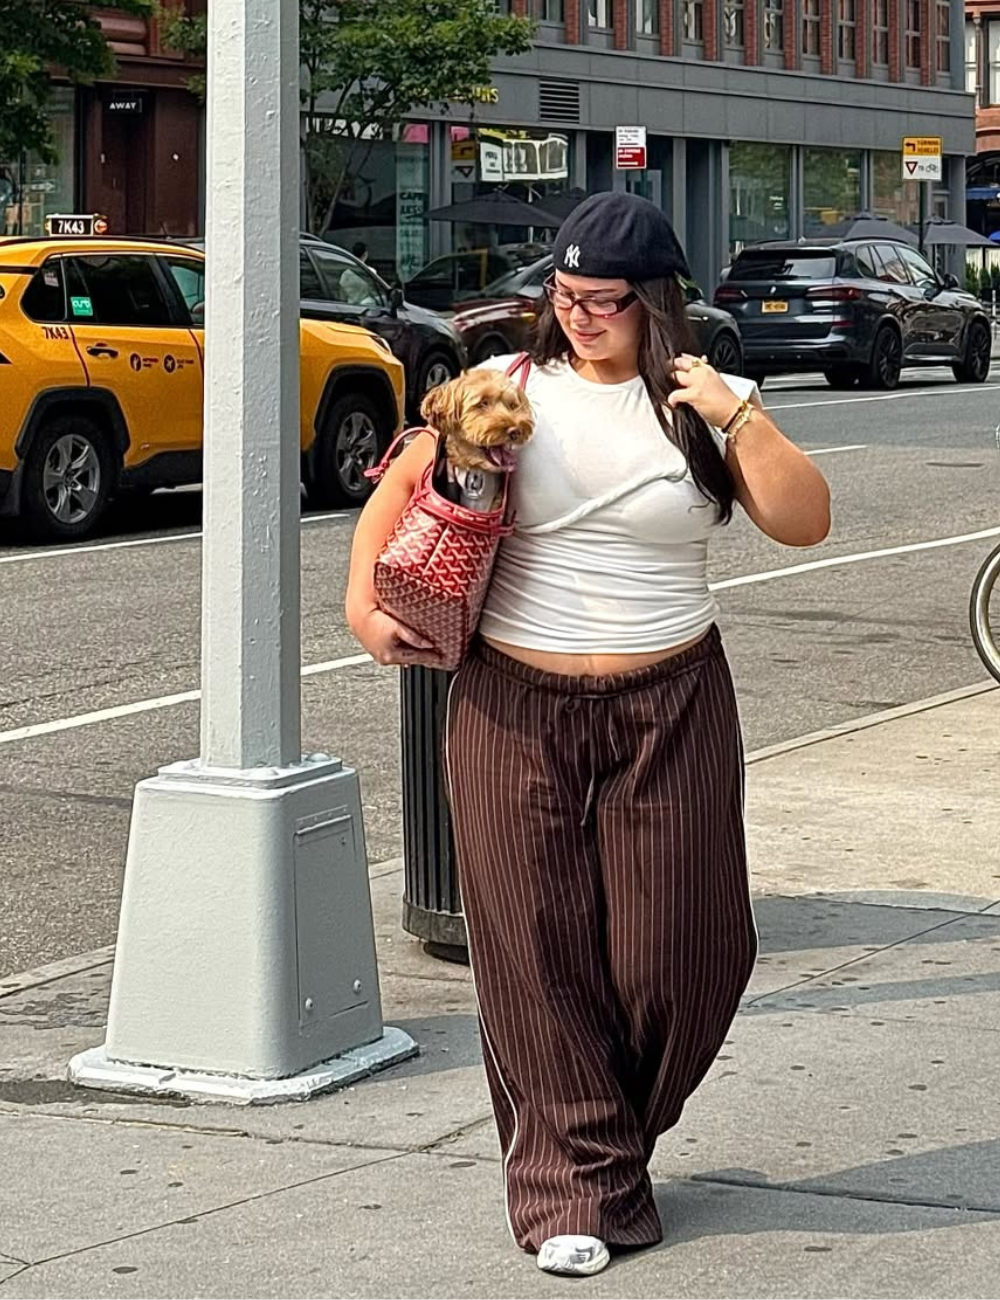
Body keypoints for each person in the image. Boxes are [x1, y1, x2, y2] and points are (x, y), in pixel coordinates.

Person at [346, 191, 831, 1277]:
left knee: (687, 953)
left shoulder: (705, 401)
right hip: (511, 702)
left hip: (673, 702)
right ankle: (574, 1186)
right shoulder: (504, 388)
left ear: (654, 299)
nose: (579, 315)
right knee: (533, 952)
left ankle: (599, 1143)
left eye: (604, 300)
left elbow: (805, 521)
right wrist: (365, 612)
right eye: (565, 295)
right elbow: (396, 498)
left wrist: (736, 415)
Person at [340, 241, 376, 305]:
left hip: (350, 306)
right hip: (366, 306)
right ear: (365, 254)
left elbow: (342, 293)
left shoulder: (346, 274)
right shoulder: (371, 272)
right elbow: (374, 292)